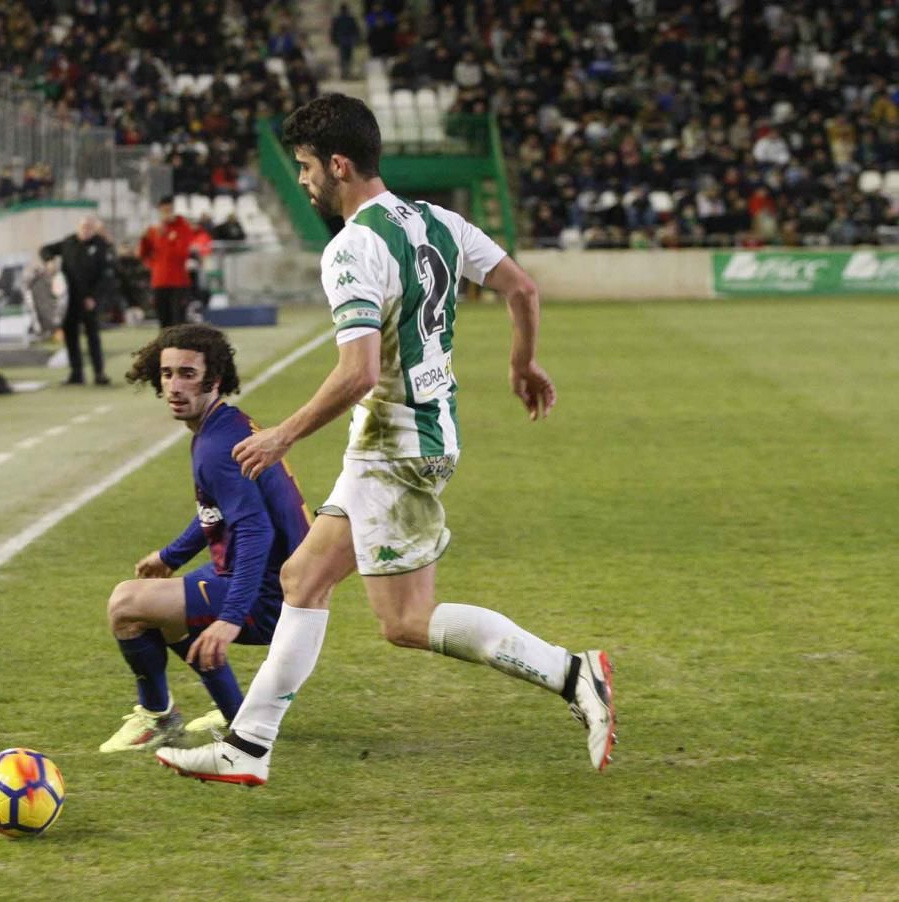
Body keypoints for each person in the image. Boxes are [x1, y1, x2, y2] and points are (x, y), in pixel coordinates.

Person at [157, 94, 616, 786]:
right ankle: (248, 745)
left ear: (339, 164)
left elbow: (360, 369)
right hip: (418, 434)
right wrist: (521, 363)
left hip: (393, 444)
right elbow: (522, 289)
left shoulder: (352, 247)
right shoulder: (438, 221)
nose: (305, 180)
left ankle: (573, 671)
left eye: (308, 167)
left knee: (404, 621)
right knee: (302, 577)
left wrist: (282, 434)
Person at [101, 324, 312, 753]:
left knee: (126, 605)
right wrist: (170, 555)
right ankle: (239, 714)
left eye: (187, 374)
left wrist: (231, 617)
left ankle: (158, 717)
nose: (174, 386)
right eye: (166, 374)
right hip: (289, 581)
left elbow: (255, 530)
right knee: (162, 601)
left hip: (272, 595)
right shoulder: (227, 424)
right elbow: (220, 512)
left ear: (214, 379)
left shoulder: (216, 447)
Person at [39, 216, 114, 386]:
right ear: (78, 227)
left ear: (94, 229)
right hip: (68, 300)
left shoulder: (101, 246)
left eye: (89, 227)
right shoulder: (69, 242)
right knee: (71, 337)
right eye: (83, 227)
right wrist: (49, 261)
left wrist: (94, 297)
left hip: (88, 299)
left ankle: (99, 373)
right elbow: (45, 249)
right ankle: (76, 373)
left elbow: (105, 277)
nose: (85, 230)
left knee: (92, 337)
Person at [138, 196, 194, 329]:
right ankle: (165, 349)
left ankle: (179, 349)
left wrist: (167, 238)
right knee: (163, 322)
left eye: (169, 210)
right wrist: (144, 240)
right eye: (163, 211)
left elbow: (182, 254)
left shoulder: (183, 228)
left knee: (178, 322)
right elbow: (142, 254)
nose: (166, 214)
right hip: (159, 281)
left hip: (179, 282)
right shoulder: (153, 230)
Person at [330, 5, 362, 80]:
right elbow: (334, 30)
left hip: (346, 40)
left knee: (346, 58)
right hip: (344, 40)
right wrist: (334, 40)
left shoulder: (349, 19)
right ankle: (345, 73)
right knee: (345, 58)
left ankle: (346, 73)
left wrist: (334, 40)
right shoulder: (340, 19)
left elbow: (355, 29)